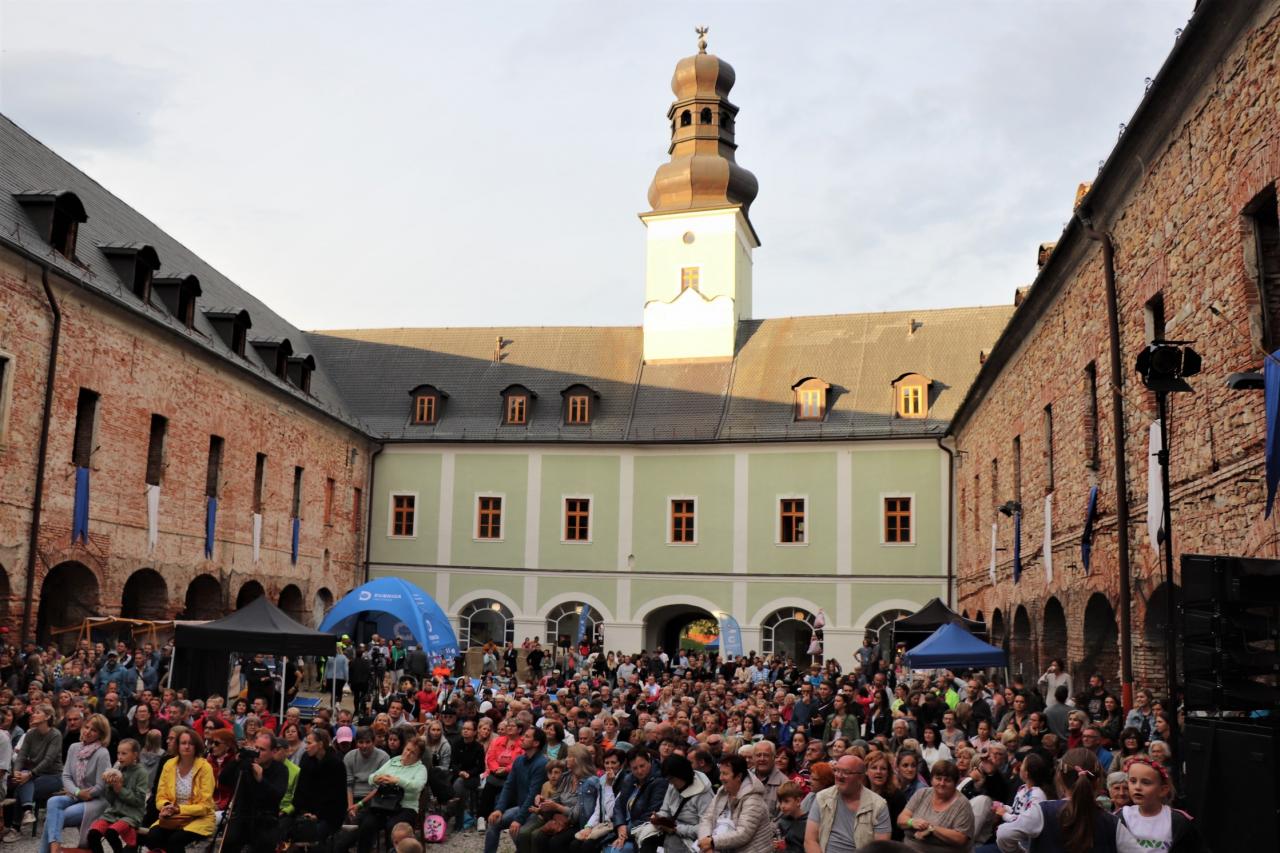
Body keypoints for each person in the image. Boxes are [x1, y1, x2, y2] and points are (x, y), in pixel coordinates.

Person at [995, 748, 1117, 853]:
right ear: (1098, 782)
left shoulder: (1043, 811)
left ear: (1059, 778)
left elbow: (1003, 834)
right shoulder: (1112, 822)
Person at [42, 713, 113, 853]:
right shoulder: (74, 747)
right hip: (76, 794)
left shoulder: (102, 753)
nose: (88, 732)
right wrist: (77, 792)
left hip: (95, 800)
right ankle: (55, 847)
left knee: (53, 818)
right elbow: (66, 776)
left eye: (93, 730)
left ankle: (49, 851)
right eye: (87, 727)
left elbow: (101, 786)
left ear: (101, 734)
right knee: (53, 801)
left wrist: (83, 794)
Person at [353, 735, 428, 853]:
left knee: (393, 827)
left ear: (418, 756)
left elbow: (417, 786)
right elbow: (371, 778)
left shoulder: (420, 768)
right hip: (384, 804)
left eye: (413, 753)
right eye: (407, 749)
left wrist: (397, 780)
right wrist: (376, 779)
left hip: (406, 806)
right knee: (367, 823)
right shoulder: (394, 761)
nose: (408, 753)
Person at [145, 729, 216, 853]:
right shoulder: (169, 765)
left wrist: (179, 809)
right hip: (173, 816)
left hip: (199, 817)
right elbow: (160, 796)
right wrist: (167, 806)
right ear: (178, 745)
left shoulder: (205, 768)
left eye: (191, 743)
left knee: (176, 840)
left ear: (197, 746)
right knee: (153, 836)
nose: (187, 746)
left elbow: (205, 806)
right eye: (183, 743)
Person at [803, 754, 890, 853]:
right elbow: (810, 840)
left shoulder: (878, 805)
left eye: (846, 772)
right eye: (836, 770)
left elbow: (881, 849)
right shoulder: (822, 798)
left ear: (860, 777)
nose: (839, 776)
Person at [1115, 757, 1203, 853]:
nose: (1137, 787)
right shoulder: (1122, 817)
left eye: (1146, 782)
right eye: (1133, 781)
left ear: (1163, 790)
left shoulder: (1177, 821)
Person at [220, 732, 287, 853]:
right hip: (242, 815)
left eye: (262, 749)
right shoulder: (246, 764)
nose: (257, 752)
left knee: (264, 843)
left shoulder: (280, 769)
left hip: (266, 818)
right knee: (229, 842)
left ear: (273, 752)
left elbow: (277, 796)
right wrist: (235, 761)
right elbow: (223, 780)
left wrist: (261, 780)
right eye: (256, 748)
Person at [485, 726, 548, 853]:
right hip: (521, 806)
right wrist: (499, 809)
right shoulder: (519, 760)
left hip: (535, 811)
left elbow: (532, 795)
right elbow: (508, 786)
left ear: (536, 743)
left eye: (527, 736)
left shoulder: (542, 763)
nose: (522, 738)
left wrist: (519, 819)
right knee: (493, 822)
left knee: (518, 832)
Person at [5, 703, 64, 840]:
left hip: (53, 776)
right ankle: (26, 813)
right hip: (33, 775)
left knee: (21, 786)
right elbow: (21, 756)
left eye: (37, 712)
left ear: (47, 717)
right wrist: (16, 771)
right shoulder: (30, 734)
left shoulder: (55, 735)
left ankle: (15, 827)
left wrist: (30, 774)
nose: (33, 715)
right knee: (21, 780)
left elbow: (48, 760)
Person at [696, 753, 773, 853]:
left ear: (739, 776)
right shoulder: (722, 792)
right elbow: (707, 819)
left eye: (725, 774)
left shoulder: (753, 799)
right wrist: (707, 844)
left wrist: (712, 842)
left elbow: (743, 834)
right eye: (721, 773)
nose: (720, 778)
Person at [86, 738, 149, 853]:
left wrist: (119, 789)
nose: (120, 757)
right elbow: (110, 800)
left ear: (135, 755)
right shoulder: (117, 769)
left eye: (124, 754)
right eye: (118, 753)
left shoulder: (142, 773)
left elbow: (139, 801)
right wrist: (109, 786)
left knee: (111, 833)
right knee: (93, 834)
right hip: (113, 812)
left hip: (131, 815)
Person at [288, 728, 346, 844]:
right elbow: (301, 788)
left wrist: (317, 815)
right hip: (307, 810)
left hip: (330, 813)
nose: (306, 747)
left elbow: (335, 796)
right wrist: (299, 810)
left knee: (314, 834)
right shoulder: (306, 758)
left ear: (320, 744)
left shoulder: (336, 763)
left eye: (309, 743)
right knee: (287, 827)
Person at [775, 781, 808, 853]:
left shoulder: (808, 823)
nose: (782, 806)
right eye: (780, 802)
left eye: (786, 801)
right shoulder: (782, 822)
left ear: (798, 801)